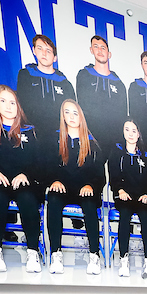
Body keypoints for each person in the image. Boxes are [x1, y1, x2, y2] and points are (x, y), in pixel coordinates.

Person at [41, 99, 103, 275]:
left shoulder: (93, 143)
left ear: (81, 117)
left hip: (84, 189)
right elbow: (46, 166)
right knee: (53, 200)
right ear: (62, 115)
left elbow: (100, 174)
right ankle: (56, 253)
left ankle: (94, 255)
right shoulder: (54, 139)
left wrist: (91, 185)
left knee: (90, 205)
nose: (71, 116)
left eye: (75, 113)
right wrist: (53, 180)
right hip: (62, 188)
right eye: (67, 112)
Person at [0, 86, 42, 274]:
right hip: (0, 182)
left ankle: (32, 251)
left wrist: (26, 174)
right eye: (3, 101)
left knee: (28, 202)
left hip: (23, 181)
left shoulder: (30, 131)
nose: (8, 106)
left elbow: (38, 161)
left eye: (12, 102)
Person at [108, 118, 147, 279]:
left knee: (145, 218)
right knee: (125, 216)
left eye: (134, 130)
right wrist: (120, 190)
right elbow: (113, 176)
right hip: (125, 197)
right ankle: (123, 259)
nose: (130, 133)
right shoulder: (116, 153)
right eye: (127, 129)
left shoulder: (146, 156)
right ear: (123, 132)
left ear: (138, 134)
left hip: (142, 198)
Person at [15, 34, 74, 156]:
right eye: (40, 48)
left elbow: (71, 113)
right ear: (34, 51)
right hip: (33, 136)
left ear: (55, 57)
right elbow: (21, 105)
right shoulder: (25, 75)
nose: (44, 53)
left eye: (48, 50)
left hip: (58, 138)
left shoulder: (65, 83)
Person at [75, 35, 126, 151]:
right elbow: (81, 106)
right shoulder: (84, 75)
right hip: (90, 138)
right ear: (91, 50)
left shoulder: (119, 83)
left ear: (109, 54)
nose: (100, 50)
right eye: (96, 47)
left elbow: (123, 113)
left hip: (113, 141)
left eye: (103, 47)